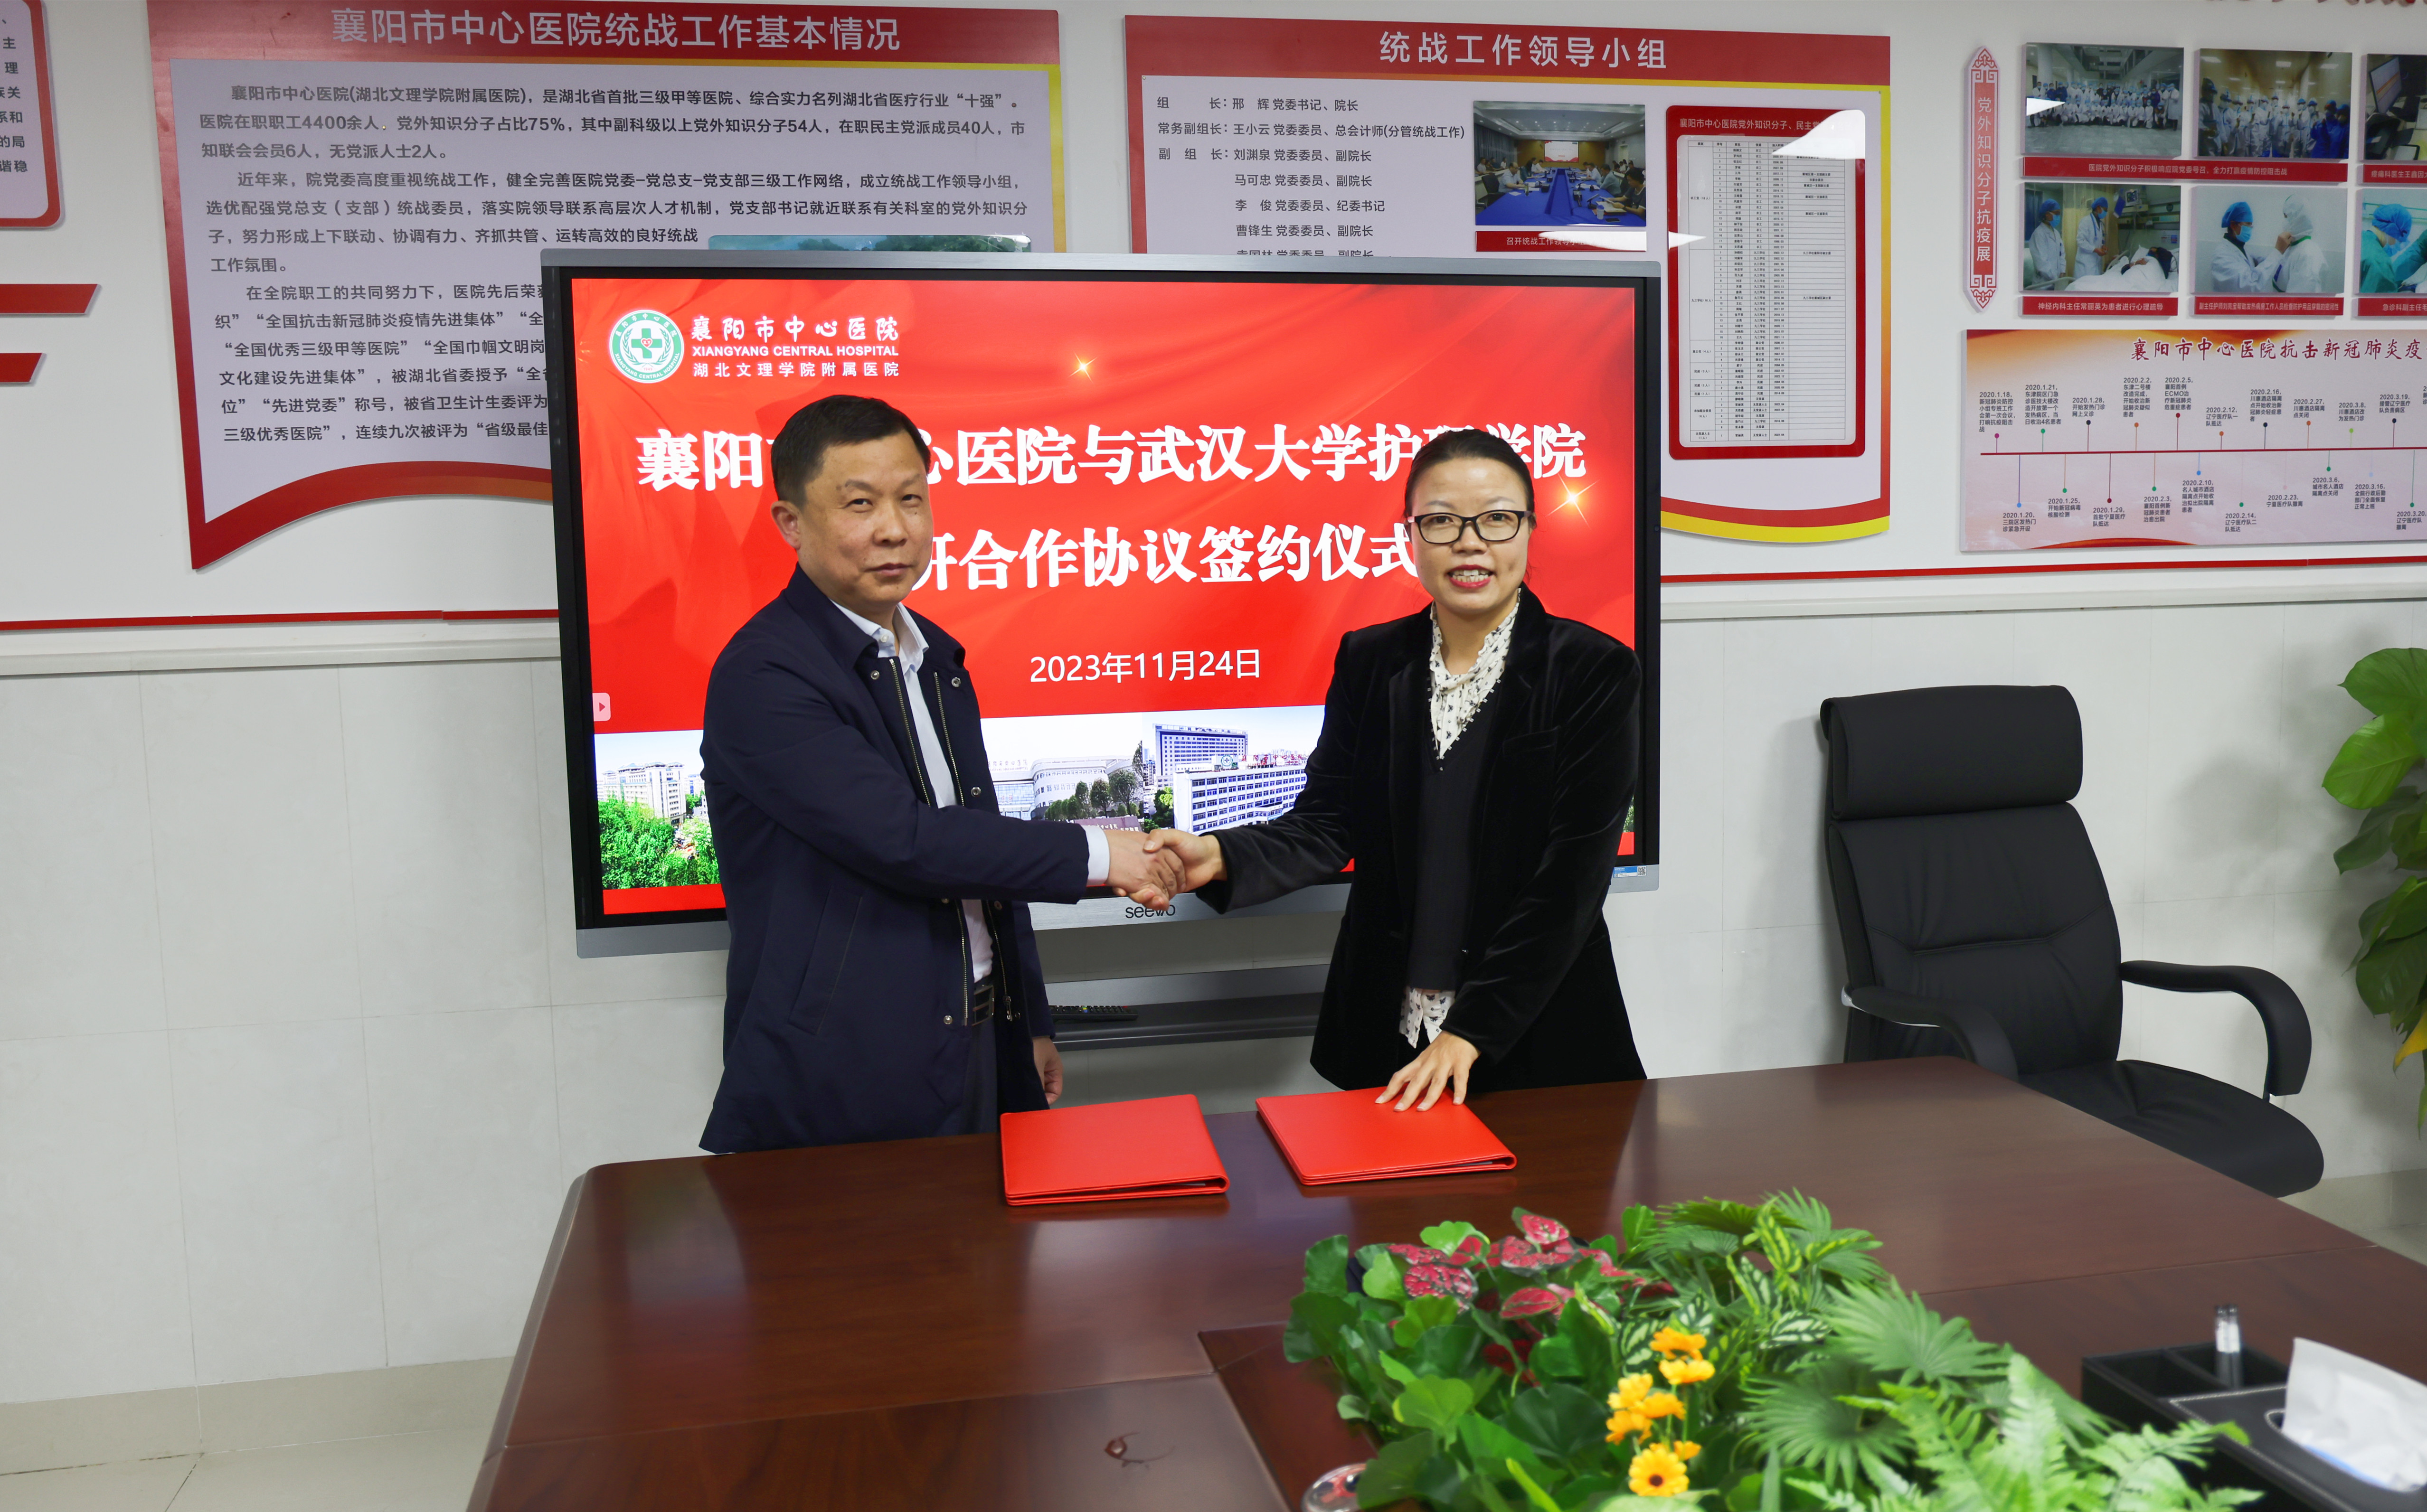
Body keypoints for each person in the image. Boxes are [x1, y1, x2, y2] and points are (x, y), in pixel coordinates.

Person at [697, 395, 1183, 1153]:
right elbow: (906, 841)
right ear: (790, 523)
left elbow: (979, 845)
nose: (895, 529)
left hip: (978, 1036)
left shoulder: (935, 658)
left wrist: (1029, 1020)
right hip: (844, 1067)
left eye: (911, 499)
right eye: (859, 504)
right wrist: (1101, 854)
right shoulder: (764, 674)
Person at [1143, 429, 1644, 1112]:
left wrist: (1471, 1031)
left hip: (1537, 1037)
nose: (1469, 543)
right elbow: (1329, 821)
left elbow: (1570, 880)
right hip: (1386, 1031)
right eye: (1440, 521)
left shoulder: (1593, 669)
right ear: (1410, 535)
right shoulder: (1370, 660)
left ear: (1529, 529)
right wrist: (1218, 855)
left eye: (1496, 519)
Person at [2209, 200, 2280, 292]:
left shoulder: (2240, 248)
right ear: (2233, 225)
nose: (2250, 228)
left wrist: (2279, 258)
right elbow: (2249, 285)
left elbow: (2254, 261)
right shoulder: (2222, 256)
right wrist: (2277, 252)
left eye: (2251, 225)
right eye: (2247, 224)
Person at [2361, 202, 2426, 292]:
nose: (2399, 245)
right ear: (2393, 230)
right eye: (2400, 240)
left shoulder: (2360, 239)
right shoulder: (2380, 262)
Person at [2272, 194, 2331, 293]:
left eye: (2286, 216)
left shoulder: (2308, 254)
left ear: (2298, 218)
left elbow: (2298, 298)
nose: (2284, 221)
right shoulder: (2292, 247)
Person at [2027, 199, 2066, 288]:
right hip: (2043, 284)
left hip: (2057, 280)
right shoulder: (2039, 234)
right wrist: (2056, 278)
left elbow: (2062, 254)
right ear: (2047, 214)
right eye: (2056, 214)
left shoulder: (2056, 233)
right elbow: (2042, 263)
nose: (2058, 217)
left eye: (2059, 214)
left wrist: (2062, 272)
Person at [2075, 195, 2110, 278]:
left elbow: (2098, 241)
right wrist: (2095, 250)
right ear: (2098, 208)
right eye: (2105, 210)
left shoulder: (2101, 224)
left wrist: (2103, 247)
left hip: (2096, 264)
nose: (2106, 213)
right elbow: (2080, 241)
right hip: (2085, 265)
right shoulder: (2086, 221)